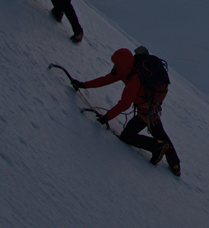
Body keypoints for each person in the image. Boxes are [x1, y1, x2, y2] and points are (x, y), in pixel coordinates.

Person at [73, 47, 181, 176]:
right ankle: (175, 165)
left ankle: (158, 148)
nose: (115, 68)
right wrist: (83, 85)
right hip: (151, 110)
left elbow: (124, 104)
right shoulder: (128, 72)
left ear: (123, 65)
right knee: (159, 133)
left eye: (116, 65)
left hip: (145, 112)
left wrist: (107, 117)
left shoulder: (134, 79)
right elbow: (106, 79)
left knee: (127, 136)